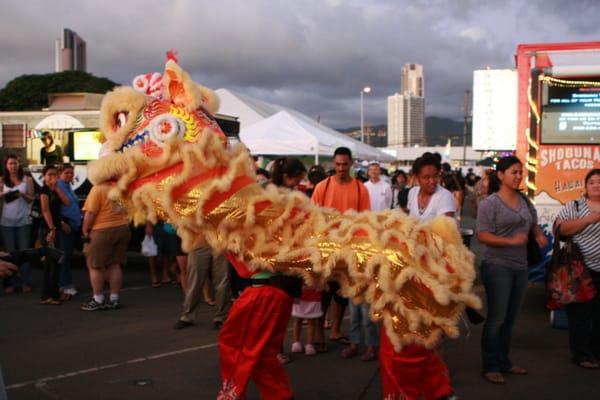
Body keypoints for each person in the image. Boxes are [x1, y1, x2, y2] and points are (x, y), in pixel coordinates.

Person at [217, 157, 305, 399]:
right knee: (263, 354)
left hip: (266, 289)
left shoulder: (273, 203)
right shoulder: (286, 203)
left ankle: (231, 395)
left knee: (235, 343)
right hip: (277, 290)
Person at [380, 153, 457, 400]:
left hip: (435, 269)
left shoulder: (444, 198)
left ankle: (439, 382)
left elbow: (444, 232)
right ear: (416, 177)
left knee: (434, 330)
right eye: (426, 177)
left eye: (435, 176)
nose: (432, 181)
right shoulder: (412, 194)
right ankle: (428, 383)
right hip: (413, 269)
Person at [476, 156, 547, 384]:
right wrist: (510, 242)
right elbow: (482, 235)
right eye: (514, 172)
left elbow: (532, 221)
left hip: (520, 267)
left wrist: (537, 234)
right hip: (497, 266)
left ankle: (504, 361)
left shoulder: (524, 200)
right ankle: (490, 365)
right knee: (496, 318)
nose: (519, 176)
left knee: (510, 318)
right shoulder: (491, 203)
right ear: (501, 175)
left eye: (520, 172)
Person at [311, 147, 370, 353]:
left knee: (342, 293)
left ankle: (335, 329)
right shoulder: (322, 187)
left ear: (351, 164)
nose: (341, 168)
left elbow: (365, 221)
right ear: (333, 165)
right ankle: (319, 332)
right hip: (327, 248)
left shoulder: (360, 189)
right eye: (337, 164)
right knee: (323, 292)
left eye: (345, 164)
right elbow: (313, 218)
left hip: (349, 249)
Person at [555, 168, 600, 369]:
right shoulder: (574, 206)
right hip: (579, 268)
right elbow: (559, 229)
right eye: (592, 182)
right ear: (585, 186)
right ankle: (581, 355)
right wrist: (588, 219)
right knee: (580, 315)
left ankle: (596, 353)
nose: (597, 185)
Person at [341, 162, 383, 361]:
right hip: (352, 275)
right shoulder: (351, 229)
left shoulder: (372, 231)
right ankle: (355, 343)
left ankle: (371, 346)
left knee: (367, 313)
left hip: (367, 274)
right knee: (354, 312)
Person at [80, 183, 130, 311]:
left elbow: (91, 213)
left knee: (94, 265)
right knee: (115, 264)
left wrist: (85, 230)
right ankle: (114, 299)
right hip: (122, 227)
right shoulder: (122, 186)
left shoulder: (98, 188)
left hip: (101, 230)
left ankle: (98, 299)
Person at [173, 245, 231, 330]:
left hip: (221, 240)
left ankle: (221, 318)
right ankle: (187, 316)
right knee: (194, 279)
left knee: (223, 281)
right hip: (199, 239)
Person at [0, 155, 34, 294]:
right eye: (10, 163)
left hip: (23, 221)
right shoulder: (2, 180)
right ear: (6, 166)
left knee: (24, 253)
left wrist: (22, 194)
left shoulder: (27, 180)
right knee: (10, 254)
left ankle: (25, 282)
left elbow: (32, 198)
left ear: (19, 164)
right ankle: (11, 282)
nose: (13, 166)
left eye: (15, 163)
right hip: (7, 222)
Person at [39, 164, 70, 305]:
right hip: (48, 230)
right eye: (49, 175)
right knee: (52, 263)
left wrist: (56, 187)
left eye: (54, 174)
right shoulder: (44, 191)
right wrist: (52, 229)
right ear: (44, 177)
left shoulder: (55, 190)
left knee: (52, 263)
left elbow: (67, 202)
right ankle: (52, 296)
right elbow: (45, 210)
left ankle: (49, 295)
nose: (52, 177)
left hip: (54, 229)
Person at [57, 164, 82, 299]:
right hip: (64, 227)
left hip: (73, 227)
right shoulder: (58, 187)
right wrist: (61, 223)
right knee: (64, 257)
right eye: (66, 173)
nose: (69, 176)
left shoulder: (67, 187)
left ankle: (67, 284)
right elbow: (54, 207)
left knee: (68, 257)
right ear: (60, 173)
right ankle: (64, 286)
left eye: (71, 173)